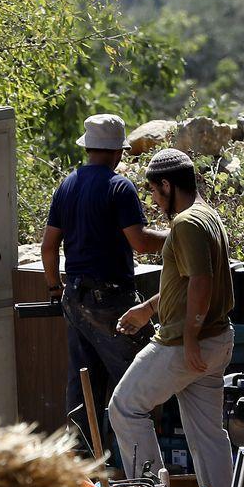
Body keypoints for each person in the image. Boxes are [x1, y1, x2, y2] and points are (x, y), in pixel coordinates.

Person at [108, 148, 236, 487]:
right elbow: (184, 282)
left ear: (167, 184)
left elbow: (202, 282)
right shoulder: (208, 215)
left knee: (124, 407)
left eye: (153, 190)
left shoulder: (186, 224)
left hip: (184, 344)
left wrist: (191, 336)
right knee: (207, 435)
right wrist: (147, 309)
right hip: (217, 340)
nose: (152, 198)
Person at [41, 114, 166, 456]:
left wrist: (56, 290)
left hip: (75, 298)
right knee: (141, 380)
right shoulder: (118, 187)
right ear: (118, 152)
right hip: (111, 299)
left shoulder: (67, 185)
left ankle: (87, 467)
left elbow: (48, 246)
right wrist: (177, 238)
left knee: (85, 383)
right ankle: (141, 469)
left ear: (89, 147)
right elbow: (139, 242)